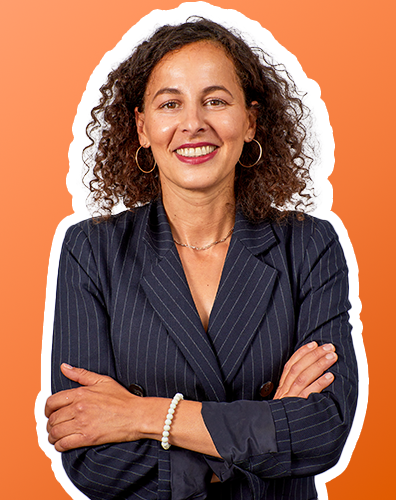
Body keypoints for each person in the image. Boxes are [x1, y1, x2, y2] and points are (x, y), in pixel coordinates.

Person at [45, 18, 358, 500]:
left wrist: (141, 415)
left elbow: (322, 430)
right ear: (142, 127)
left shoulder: (308, 245)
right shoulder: (91, 250)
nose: (193, 123)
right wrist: (263, 434)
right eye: (170, 104)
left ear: (250, 121)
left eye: (215, 101)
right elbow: (90, 457)